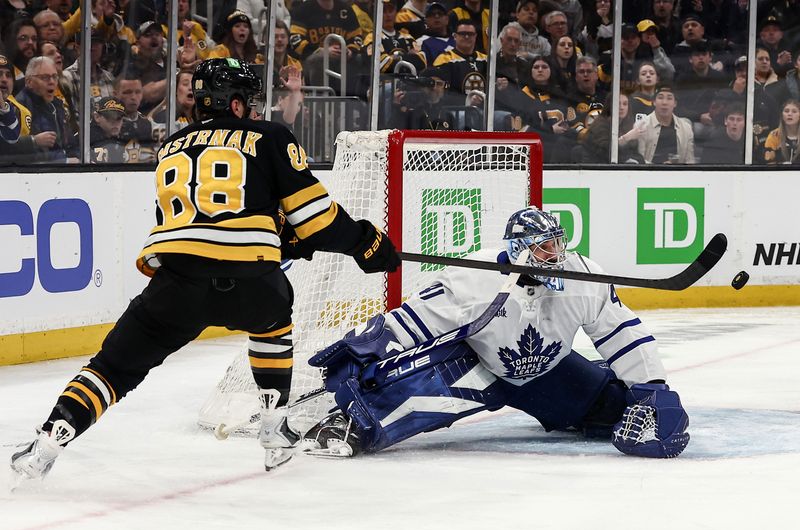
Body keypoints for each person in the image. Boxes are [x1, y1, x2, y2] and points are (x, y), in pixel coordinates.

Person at [10, 58, 401, 482]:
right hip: (253, 281)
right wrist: (366, 243)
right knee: (273, 318)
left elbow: (198, 222)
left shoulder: (169, 147)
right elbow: (316, 221)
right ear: (234, 104)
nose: (253, 109)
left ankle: (46, 445)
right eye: (248, 101)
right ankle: (274, 429)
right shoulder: (270, 136)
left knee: (112, 368)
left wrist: (281, 235)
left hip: (179, 283)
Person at [299, 206, 689, 460]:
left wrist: (652, 387)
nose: (557, 255)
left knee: (620, 411)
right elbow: (412, 321)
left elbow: (621, 332)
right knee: (411, 396)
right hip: (480, 370)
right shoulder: (474, 279)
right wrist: (365, 349)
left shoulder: (582, 276)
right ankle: (348, 421)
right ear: (520, 250)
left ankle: (604, 382)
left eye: (558, 244)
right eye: (545, 248)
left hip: (551, 370)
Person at [14, 55, 77, 163]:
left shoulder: (57, 105)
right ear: (29, 82)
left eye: (54, 76)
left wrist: (80, 158)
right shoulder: (20, 107)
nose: (52, 81)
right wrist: (64, 161)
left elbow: (71, 143)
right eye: (45, 77)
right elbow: (22, 154)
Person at [636, 84, 696, 164]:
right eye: (660, 98)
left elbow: (690, 161)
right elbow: (639, 160)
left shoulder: (686, 128)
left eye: (669, 98)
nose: (664, 102)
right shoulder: (641, 126)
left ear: (675, 103)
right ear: (654, 102)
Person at [85, 95, 127, 163]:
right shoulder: (84, 138)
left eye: (119, 119)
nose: (115, 123)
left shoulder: (127, 135)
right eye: (110, 118)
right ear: (97, 117)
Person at [762, 98, 800, 164]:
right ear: (782, 115)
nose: (789, 114)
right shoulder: (774, 136)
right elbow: (769, 163)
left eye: (794, 111)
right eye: (786, 111)